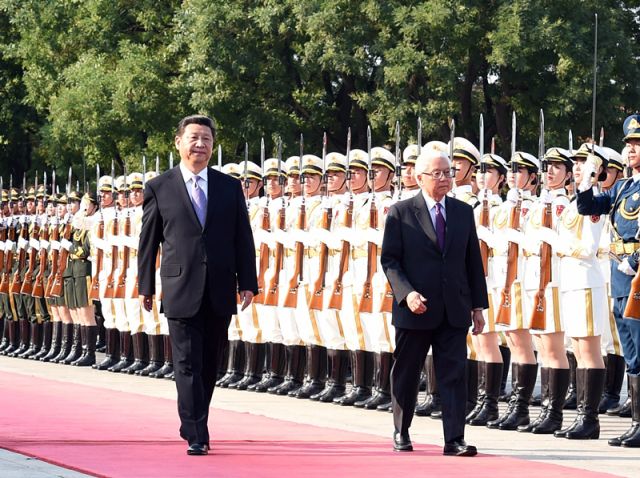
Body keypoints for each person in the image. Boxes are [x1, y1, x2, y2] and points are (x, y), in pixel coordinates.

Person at [138, 114, 257, 456]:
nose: (200, 145)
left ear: (213, 145)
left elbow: (242, 238)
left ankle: (193, 419)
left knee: (209, 364)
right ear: (179, 142)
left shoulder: (228, 187)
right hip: (179, 286)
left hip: (220, 287)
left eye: (206, 139)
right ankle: (197, 432)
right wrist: (145, 285)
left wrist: (248, 281)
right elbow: (148, 242)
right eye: (194, 138)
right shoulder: (159, 187)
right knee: (186, 362)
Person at [381, 147, 487, 456]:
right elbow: (390, 261)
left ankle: (454, 439)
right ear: (419, 177)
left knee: (454, 375)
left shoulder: (462, 212)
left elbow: (472, 262)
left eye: (448, 172)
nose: (444, 178)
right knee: (407, 372)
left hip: (454, 308)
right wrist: (407, 293)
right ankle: (401, 430)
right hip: (416, 307)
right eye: (437, 173)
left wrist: (478, 306)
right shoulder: (401, 212)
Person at [576, 114, 640, 448]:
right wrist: (589, 176)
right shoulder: (624, 187)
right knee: (631, 354)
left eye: (638, 144)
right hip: (619, 278)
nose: (631, 150)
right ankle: (636, 423)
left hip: (636, 276)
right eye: (629, 144)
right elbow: (587, 206)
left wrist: (635, 261)